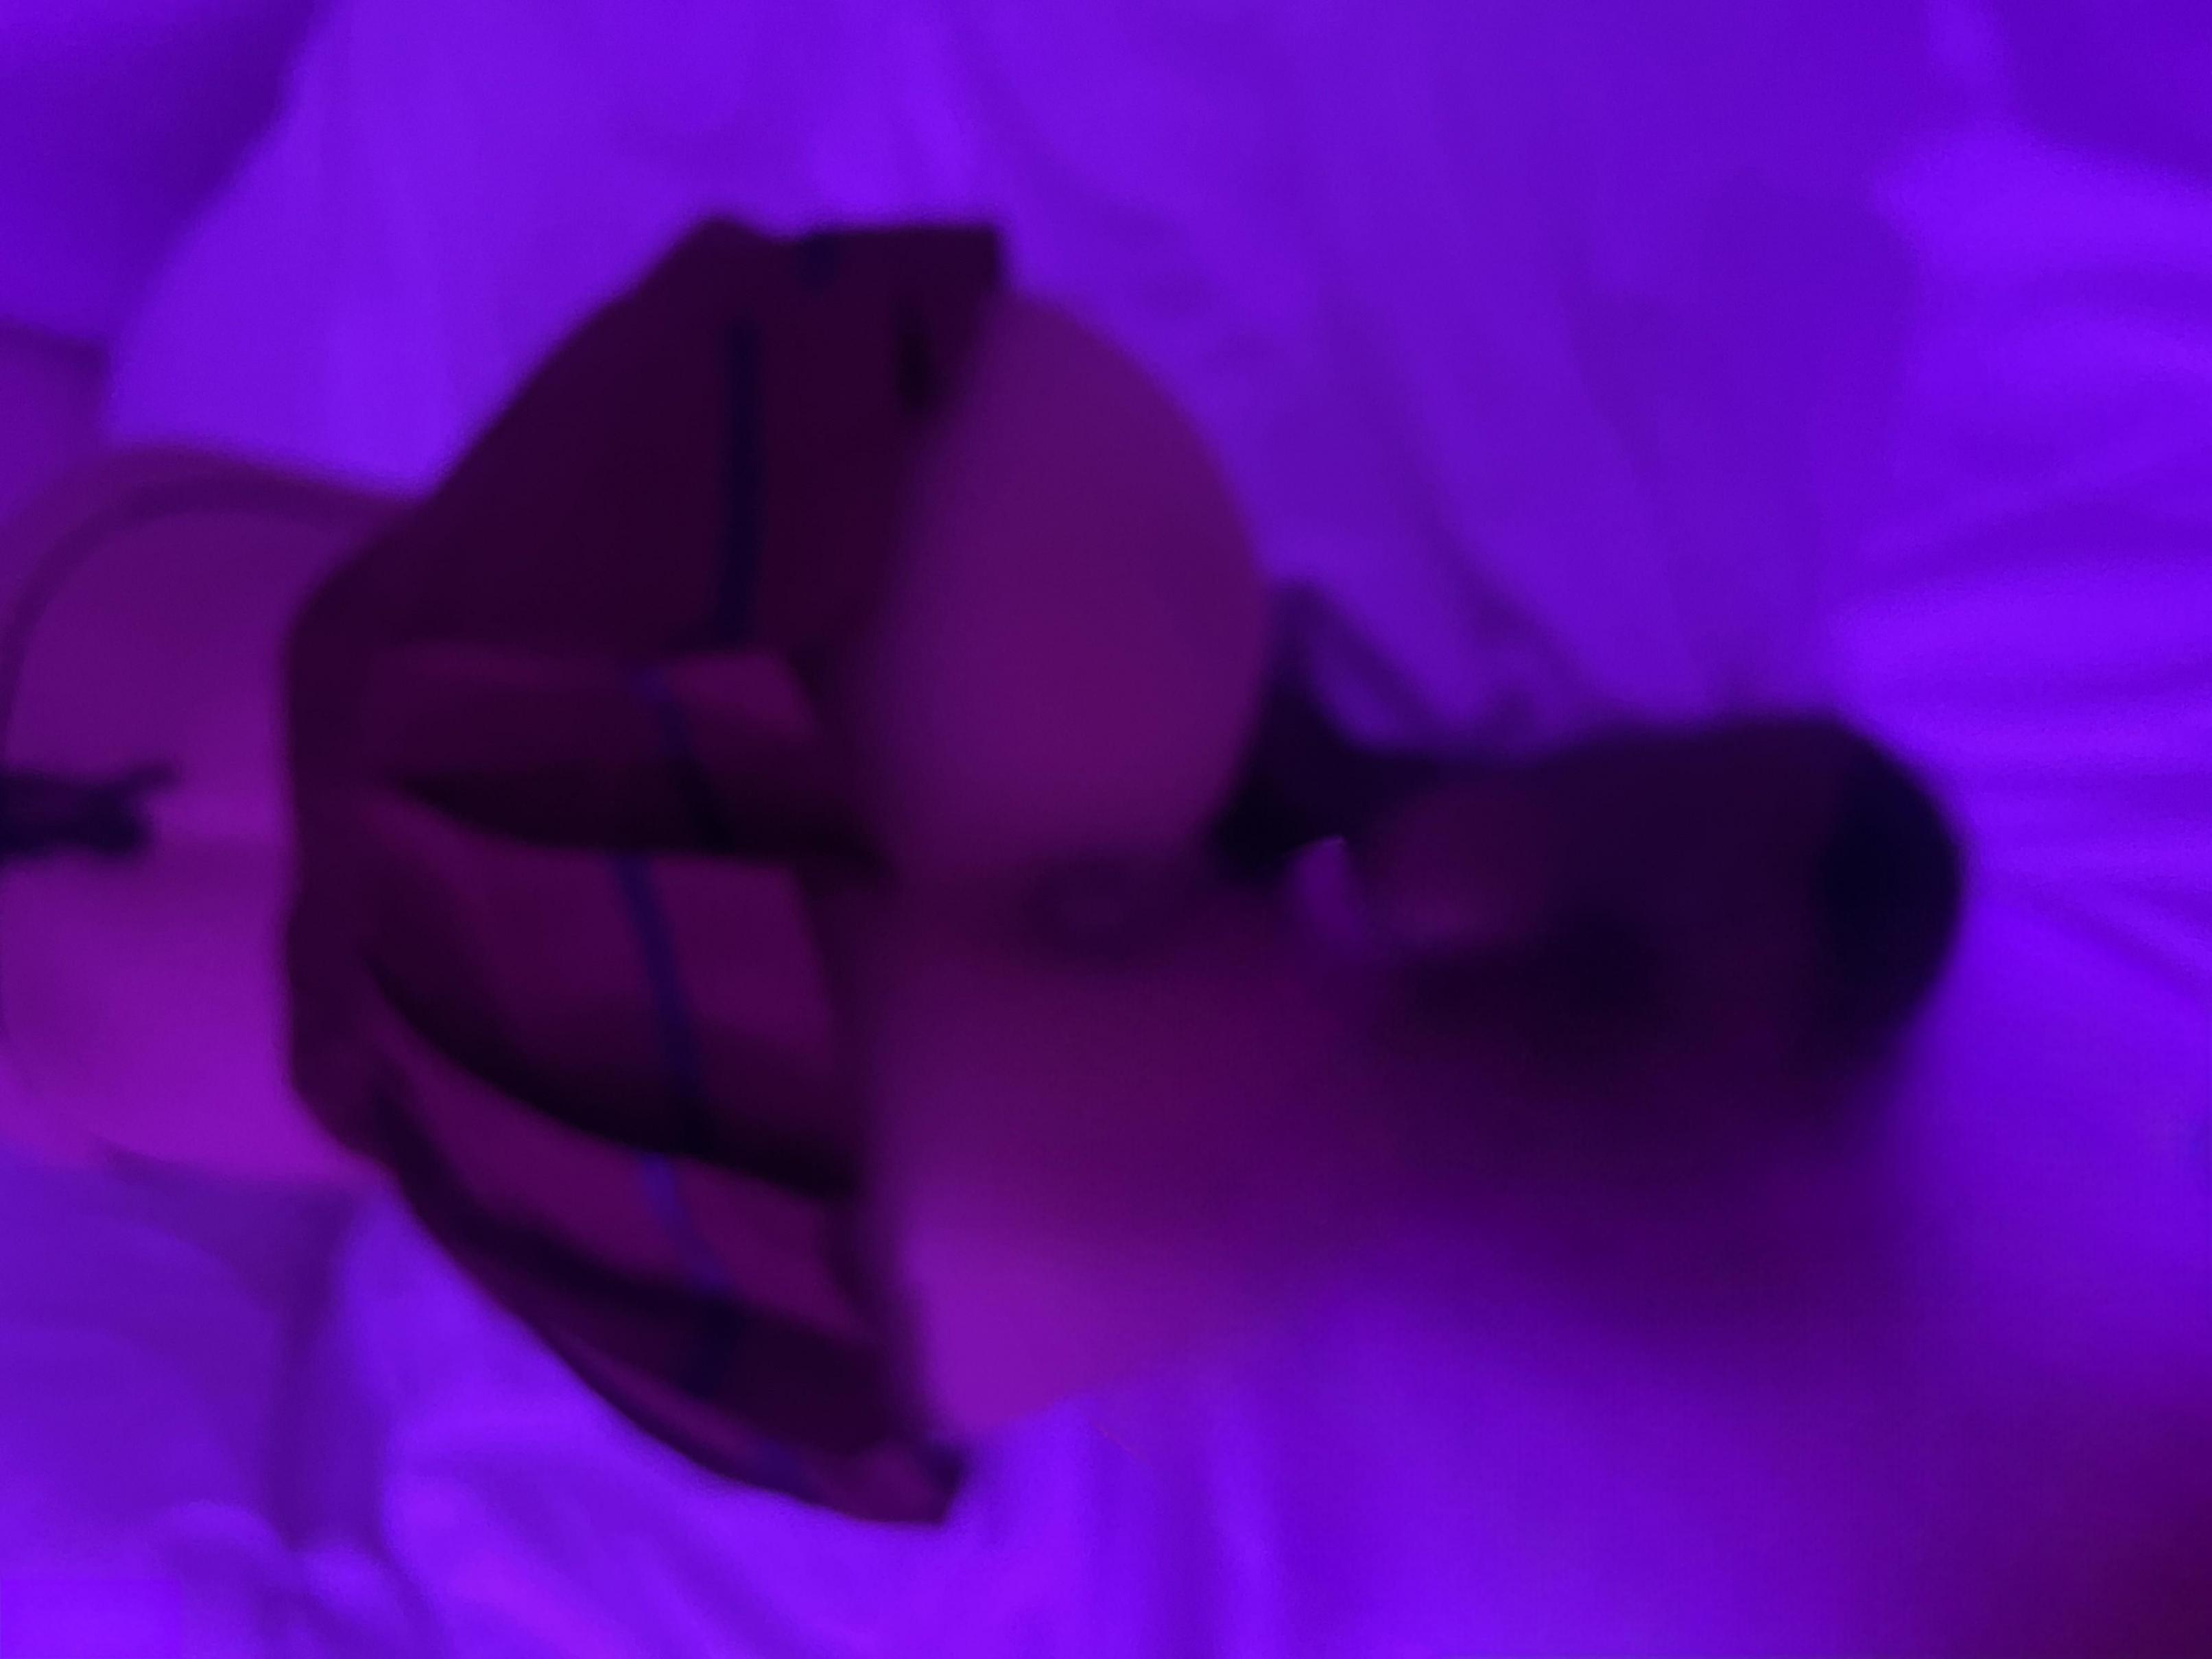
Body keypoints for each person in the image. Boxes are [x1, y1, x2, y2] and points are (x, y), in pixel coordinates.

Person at [0, 219, 1963, 1524]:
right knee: (552, 645)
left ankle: (1390, 1021)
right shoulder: (99, 502)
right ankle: (1348, 849)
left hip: (735, 1088)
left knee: (1193, 1151)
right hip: (909, 547)